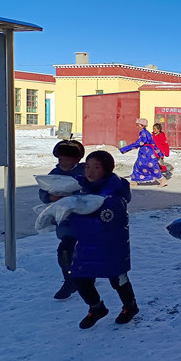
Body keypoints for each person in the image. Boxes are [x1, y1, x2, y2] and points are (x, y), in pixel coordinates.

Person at [65, 150, 139, 329]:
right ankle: (96, 308)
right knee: (80, 277)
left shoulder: (114, 196)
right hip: (87, 246)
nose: (90, 171)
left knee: (117, 279)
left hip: (111, 247)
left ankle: (130, 306)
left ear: (106, 170)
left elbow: (101, 223)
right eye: (88, 166)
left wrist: (70, 217)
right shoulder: (84, 188)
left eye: (96, 167)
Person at [39, 139, 86, 299]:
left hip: (84, 218)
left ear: (77, 159)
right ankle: (70, 279)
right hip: (65, 220)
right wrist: (50, 197)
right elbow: (43, 191)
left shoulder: (85, 171)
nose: (63, 163)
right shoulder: (55, 173)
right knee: (65, 251)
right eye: (60, 159)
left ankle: (82, 278)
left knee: (83, 250)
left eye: (67, 160)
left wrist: (74, 196)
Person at [119, 118, 167, 187]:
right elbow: (153, 144)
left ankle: (162, 179)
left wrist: (124, 149)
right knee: (138, 166)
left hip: (147, 153)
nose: (137, 127)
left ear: (142, 125)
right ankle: (134, 181)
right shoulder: (145, 132)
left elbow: (138, 143)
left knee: (152, 166)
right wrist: (159, 153)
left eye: (138, 125)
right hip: (145, 152)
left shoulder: (144, 133)